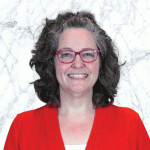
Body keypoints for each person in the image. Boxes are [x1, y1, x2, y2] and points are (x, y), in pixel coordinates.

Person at [4, 11, 150, 150]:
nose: (78, 64)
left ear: (101, 62)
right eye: (66, 54)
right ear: (51, 62)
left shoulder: (130, 125)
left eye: (87, 54)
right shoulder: (23, 128)